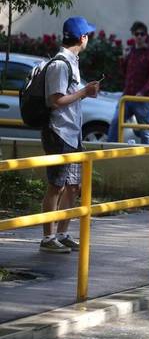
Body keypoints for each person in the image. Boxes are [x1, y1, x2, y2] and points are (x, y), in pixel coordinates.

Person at [39, 17, 102, 253]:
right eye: (88, 35)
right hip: (59, 132)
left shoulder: (72, 62)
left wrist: (86, 92)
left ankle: (63, 233)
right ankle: (48, 238)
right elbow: (55, 101)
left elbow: (70, 96)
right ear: (82, 38)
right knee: (56, 186)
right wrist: (84, 92)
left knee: (73, 185)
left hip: (72, 134)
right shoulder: (60, 64)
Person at [107, 21, 149, 143]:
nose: (139, 37)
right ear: (133, 35)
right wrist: (123, 60)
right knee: (115, 122)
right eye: (137, 34)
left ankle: (148, 155)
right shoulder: (131, 51)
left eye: (142, 34)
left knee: (145, 129)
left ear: (146, 36)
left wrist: (143, 92)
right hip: (127, 96)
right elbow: (125, 73)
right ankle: (109, 152)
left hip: (143, 99)